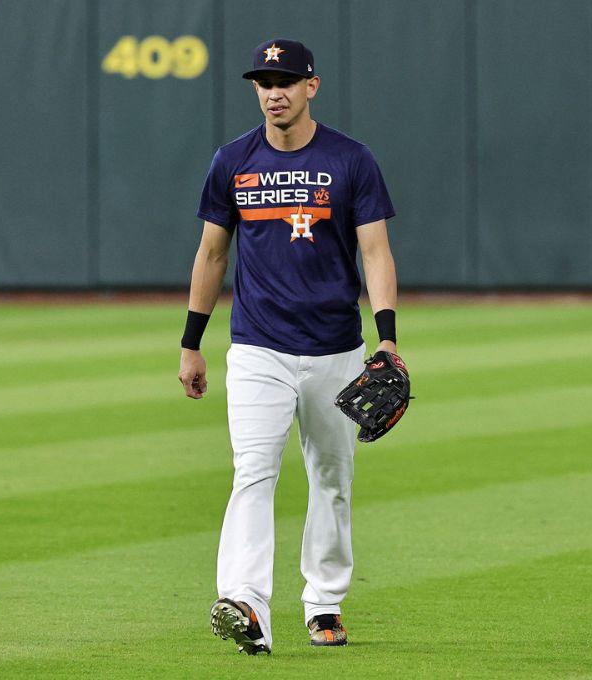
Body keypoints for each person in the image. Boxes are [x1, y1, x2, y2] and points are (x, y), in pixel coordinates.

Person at [178, 38, 399, 655]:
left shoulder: (350, 160)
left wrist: (387, 340)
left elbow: (375, 251)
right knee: (253, 472)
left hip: (335, 348)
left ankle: (324, 601)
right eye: (263, 81)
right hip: (258, 348)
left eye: (285, 81)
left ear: (311, 86)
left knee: (331, 478)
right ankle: (246, 604)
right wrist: (191, 343)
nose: (273, 92)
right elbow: (212, 253)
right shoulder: (233, 161)